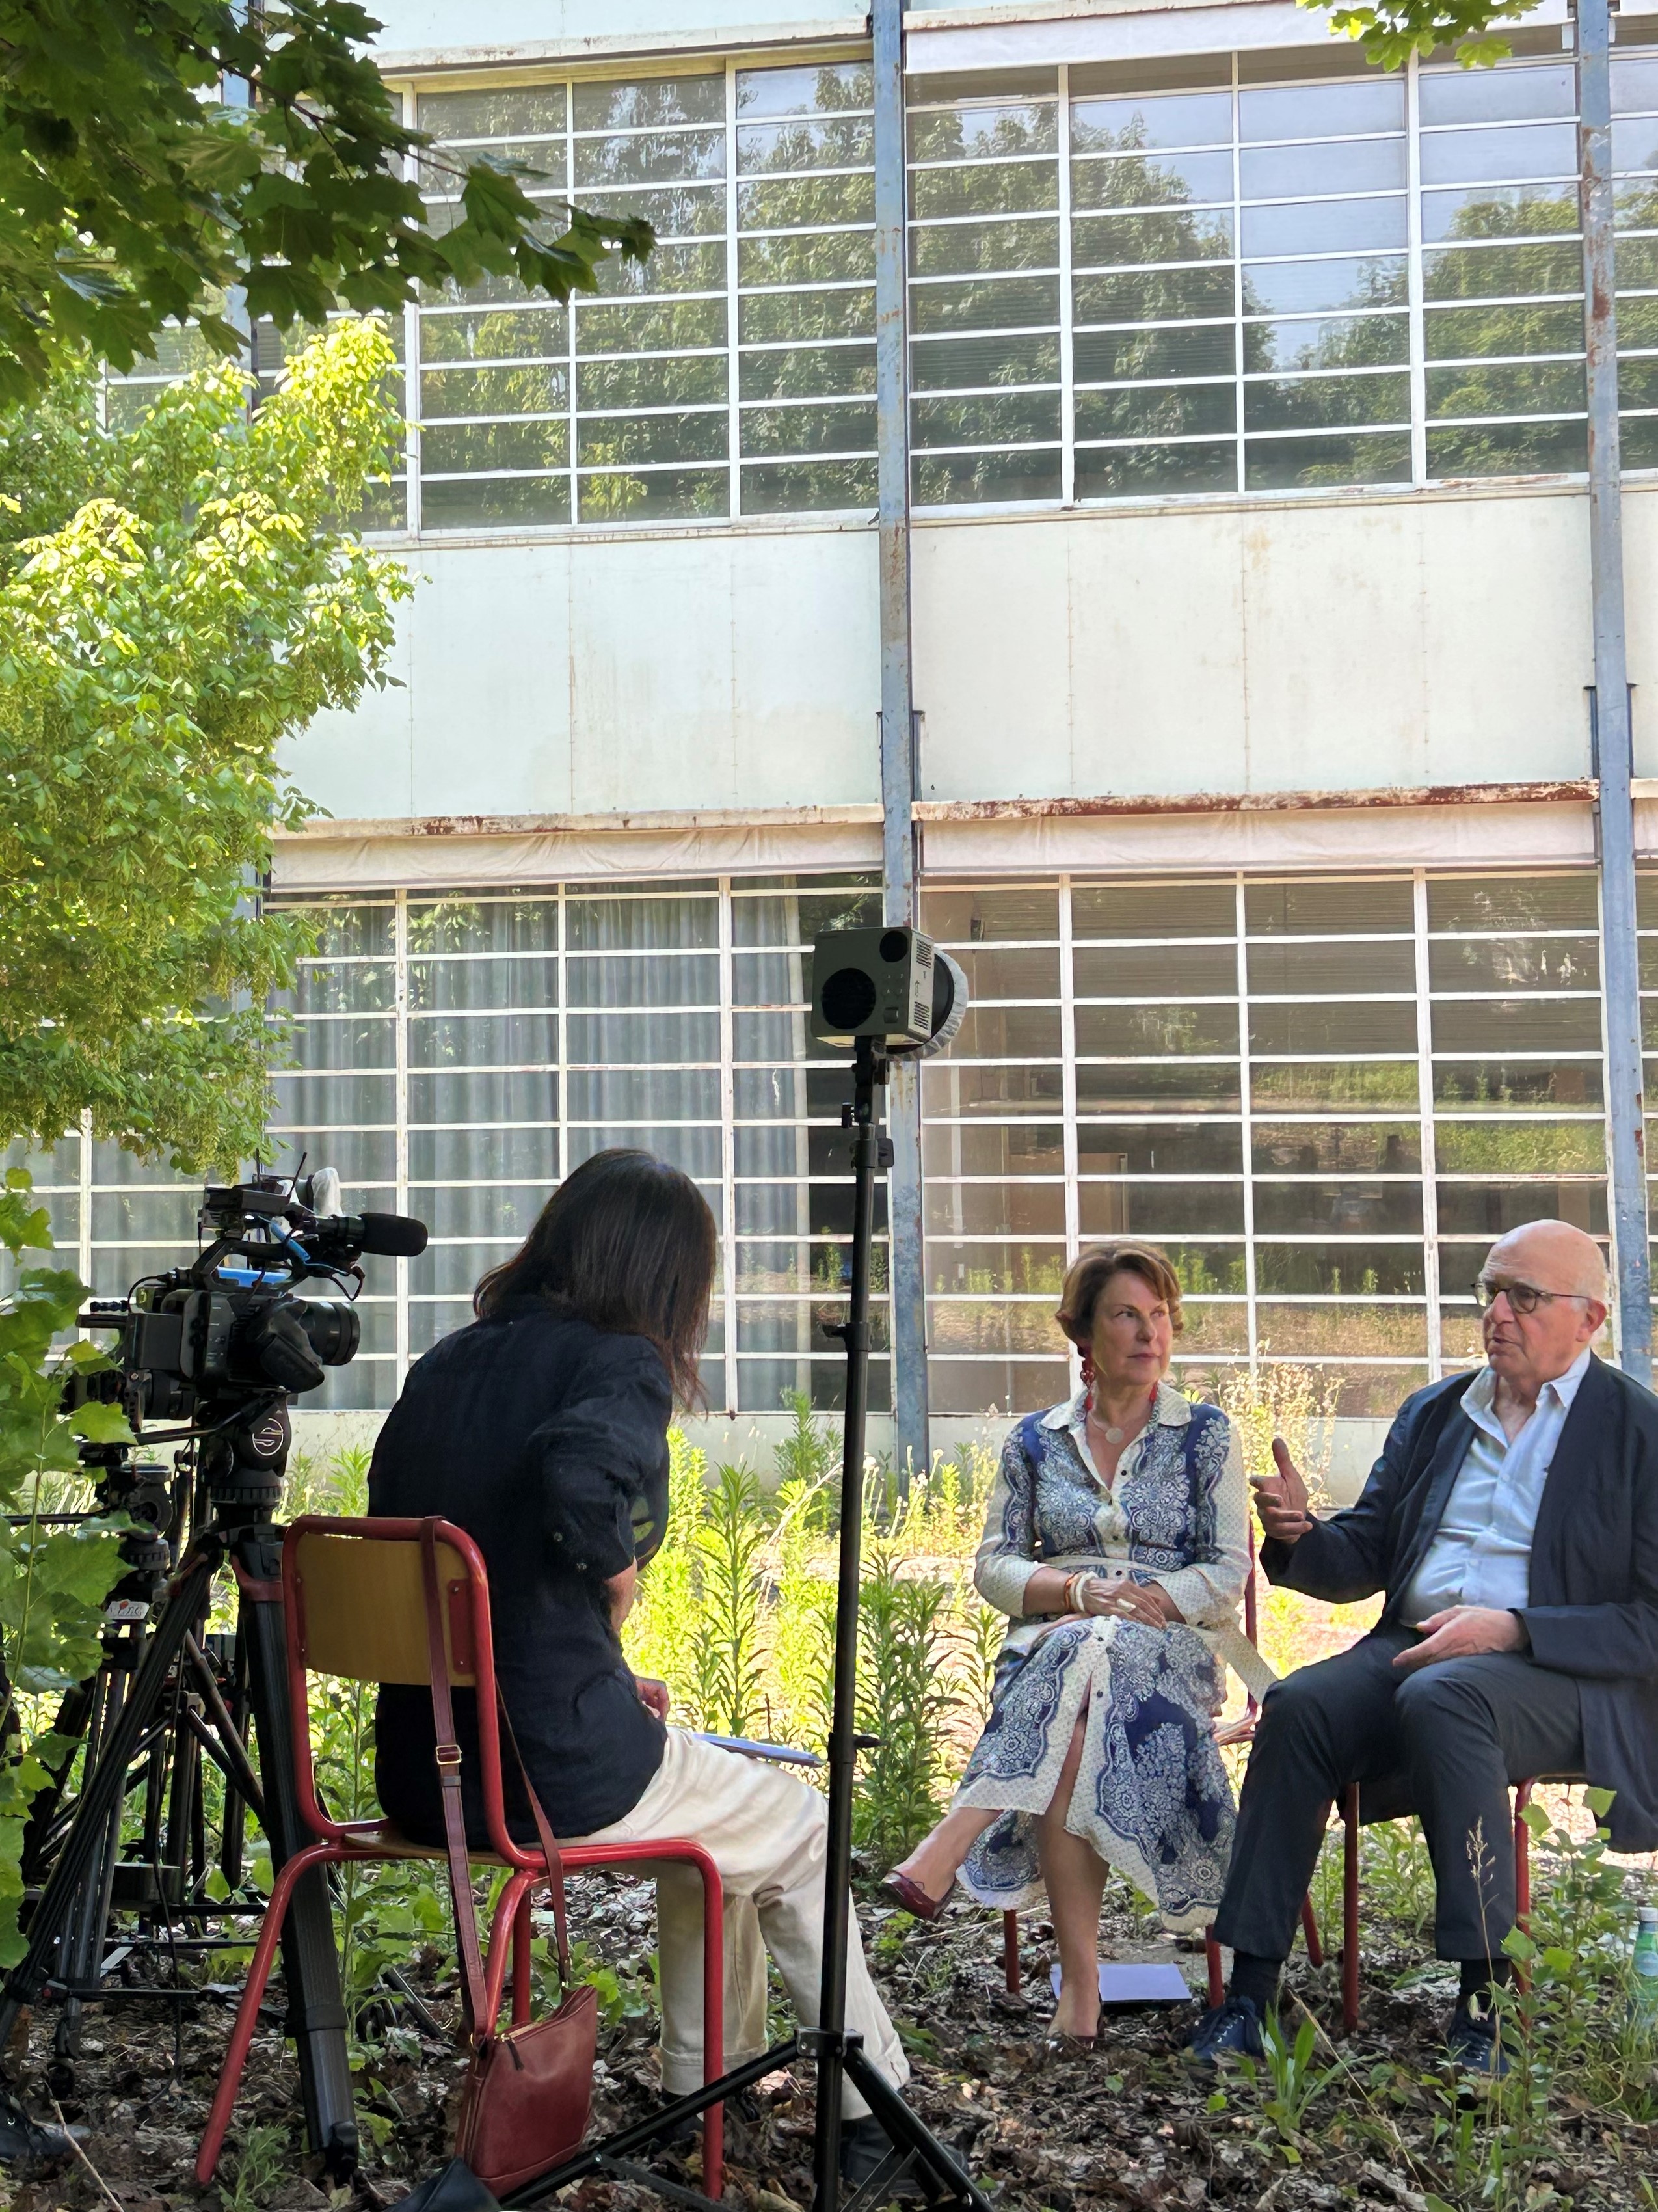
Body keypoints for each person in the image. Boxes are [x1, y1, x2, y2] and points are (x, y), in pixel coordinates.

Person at [367, 1149, 909, 2183]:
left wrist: (600, 1670)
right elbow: (579, 1486)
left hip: (424, 1776)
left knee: (715, 1822)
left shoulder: (445, 1364)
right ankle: (870, 2115)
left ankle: (705, 2091)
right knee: (798, 1825)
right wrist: (617, 1581)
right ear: (669, 1276)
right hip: (543, 1772)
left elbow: (463, 1569)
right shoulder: (619, 1361)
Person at [1187, 1218, 1658, 2076]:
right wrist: (1298, 1533)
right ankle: (1248, 1997)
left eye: (1525, 1297)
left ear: (1589, 1319)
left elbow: (1648, 1621)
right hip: (1415, 1644)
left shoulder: (1637, 1433)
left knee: (1449, 1697)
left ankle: (1485, 2008)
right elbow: (1363, 1555)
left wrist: (1513, 1626)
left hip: (1553, 1666)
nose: (1498, 1315)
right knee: (1298, 1709)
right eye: (1490, 1293)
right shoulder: (1438, 1411)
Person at [883, 1241, 1271, 2048]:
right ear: (1083, 1335)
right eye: (1126, 1314)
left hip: (1167, 1648)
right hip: (1050, 1643)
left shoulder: (1206, 1435)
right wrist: (1075, 1591)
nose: (1148, 1331)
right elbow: (992, 1567)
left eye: (1159, 1314)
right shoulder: (1034, 1440)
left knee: (1093, 1648)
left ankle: (962, 1845)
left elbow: (1227, 1566)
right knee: (1080, 1666)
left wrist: (1135, 1604)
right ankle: (1082, 1983)